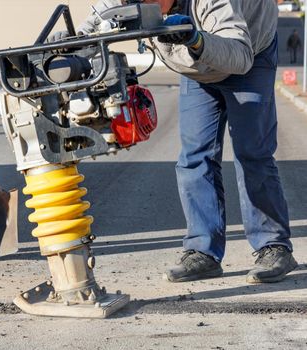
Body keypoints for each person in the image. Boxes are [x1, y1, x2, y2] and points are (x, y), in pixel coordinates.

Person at [64, 0, 298, 283]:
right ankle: (203, 251)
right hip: (198, 67)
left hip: (248, 55)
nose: (138, 5)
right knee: (194, 156)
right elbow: (95, 24)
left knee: (252, 152)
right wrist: (69, 44)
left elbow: (239, 55)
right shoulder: (130, 1)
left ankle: (273, 246)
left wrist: (196, 40)